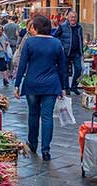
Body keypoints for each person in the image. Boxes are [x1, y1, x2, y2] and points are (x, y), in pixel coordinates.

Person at [14, 15, 66, 161]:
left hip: (32, 84)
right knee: (47, 117)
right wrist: (63, 87)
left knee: (33, 114)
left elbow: (22, 65)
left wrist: (17, 84)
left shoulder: (30, 42)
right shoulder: (57, 43)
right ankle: (46, 150)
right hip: (51, 85)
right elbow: (62, 68)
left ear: (35, 28)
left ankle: (32, 143)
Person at [53, 10, 84, 95]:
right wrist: (61, 47)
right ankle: (66, 88)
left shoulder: (79, 27)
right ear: (68, 18)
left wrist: (82, 51)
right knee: (65, 71)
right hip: (65, 52)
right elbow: (55, 37)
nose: (73, 19)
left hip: (76, 52)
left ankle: (74, 86)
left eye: (75, 17)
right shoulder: (62, 26)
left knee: (78, 69)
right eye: (72, 17)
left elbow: (81, 39)